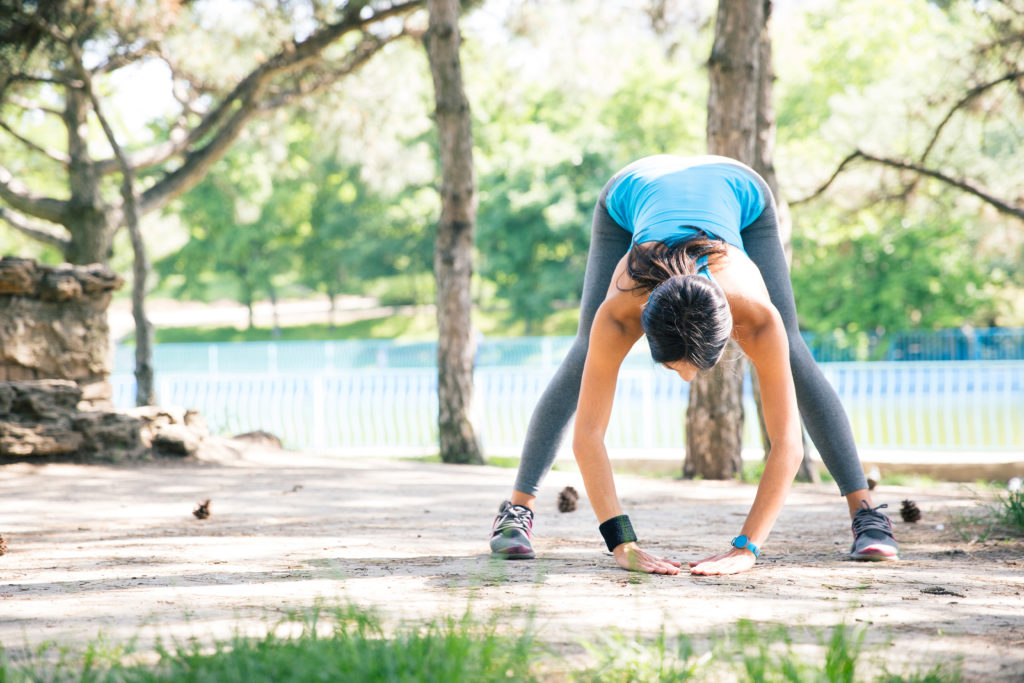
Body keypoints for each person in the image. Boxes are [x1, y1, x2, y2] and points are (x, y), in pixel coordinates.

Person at [488, 154, 898, 575]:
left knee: (792, 350)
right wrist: (621, 543)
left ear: (729, 331)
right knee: (583, 354)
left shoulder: (757, 316)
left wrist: (746, 548)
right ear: (644, 321)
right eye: (673, 367)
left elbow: (787, 445)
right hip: (632, 187)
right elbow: (587, 438)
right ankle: (517, 512)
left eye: (694, 367)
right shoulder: (618, 310)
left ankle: (866, 514)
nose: (686, 378)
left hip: (741, 190)